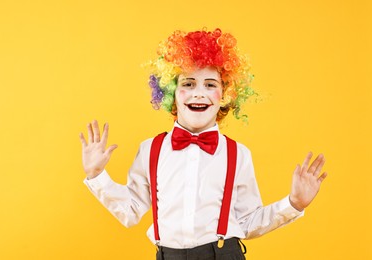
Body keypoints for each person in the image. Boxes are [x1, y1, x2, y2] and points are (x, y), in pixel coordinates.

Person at [79, 28, 328, 260]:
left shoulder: (238, 154)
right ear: (171, 94)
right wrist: (97, 175)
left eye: (210, 85)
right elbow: (130, 211)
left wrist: (293, 204)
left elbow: (247, 221)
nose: (199, 93)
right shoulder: (150, 150)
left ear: (225, 96)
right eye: (188, 84)